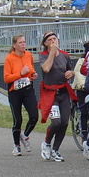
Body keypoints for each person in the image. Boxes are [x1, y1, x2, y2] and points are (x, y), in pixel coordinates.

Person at [38, 31, 77, 162]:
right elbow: (46, 69)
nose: (53, 41)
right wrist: (52, 53)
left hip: (63, 92)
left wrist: (70, 73)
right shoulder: (43, 56)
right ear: (45, 43)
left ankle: (56, 149)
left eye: (54, 39)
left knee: (65, 122)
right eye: (49, 40)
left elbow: (70, 70)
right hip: (50, 93)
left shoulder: (65, 55)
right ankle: (47, 143)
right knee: (56, 122)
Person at [3, 34, 38, 156]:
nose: (23, 44)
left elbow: (31, 69)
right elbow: (7, 78)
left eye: (24, 42)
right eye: (20, 42)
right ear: (14, 45)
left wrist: (32, 75)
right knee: (18, 119)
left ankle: (25, 136)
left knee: (34, 116)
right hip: (15, 92)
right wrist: (20, 73)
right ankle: (16, 146)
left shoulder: (29, 55)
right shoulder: (9, 58)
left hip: (27, 89)